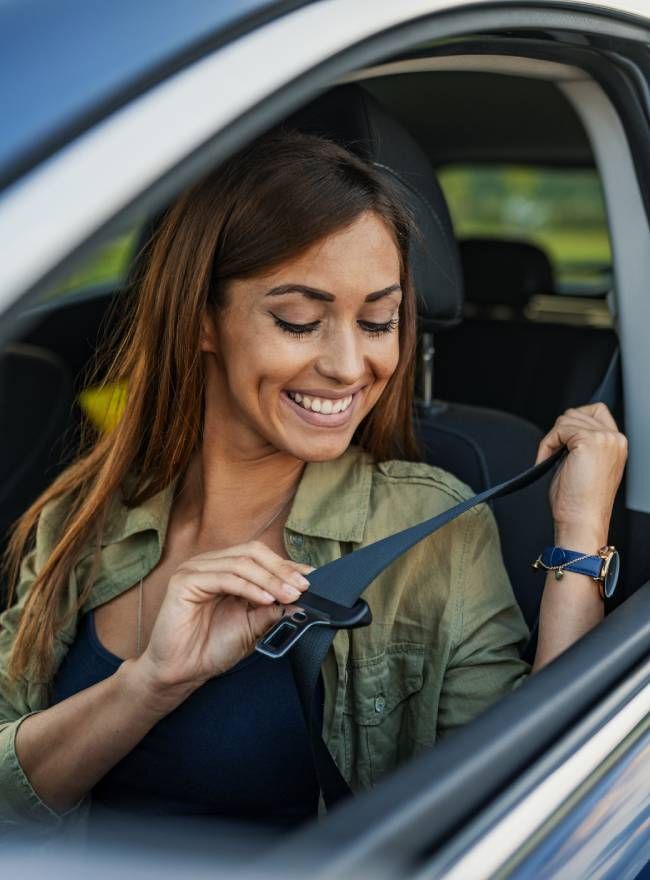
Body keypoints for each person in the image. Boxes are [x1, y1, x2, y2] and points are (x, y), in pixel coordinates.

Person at [0, 132, 627, 831]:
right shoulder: (80, 518)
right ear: (202, 319)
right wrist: (149, 684)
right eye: (300, 321)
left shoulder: (430, 527)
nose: (349, 364)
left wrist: (578, 537)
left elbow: (531, 802)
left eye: (379, 321)